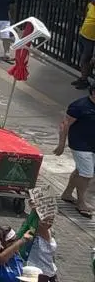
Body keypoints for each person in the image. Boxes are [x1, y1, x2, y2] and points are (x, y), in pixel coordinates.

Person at [54, 84, 95, 218]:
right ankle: (81, 202)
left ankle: (67, 193)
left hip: (92, 146)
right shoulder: (79, 106)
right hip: (80, 145)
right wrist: (61, 145)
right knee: (87, 175)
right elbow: (65, 125)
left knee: (80, 170)